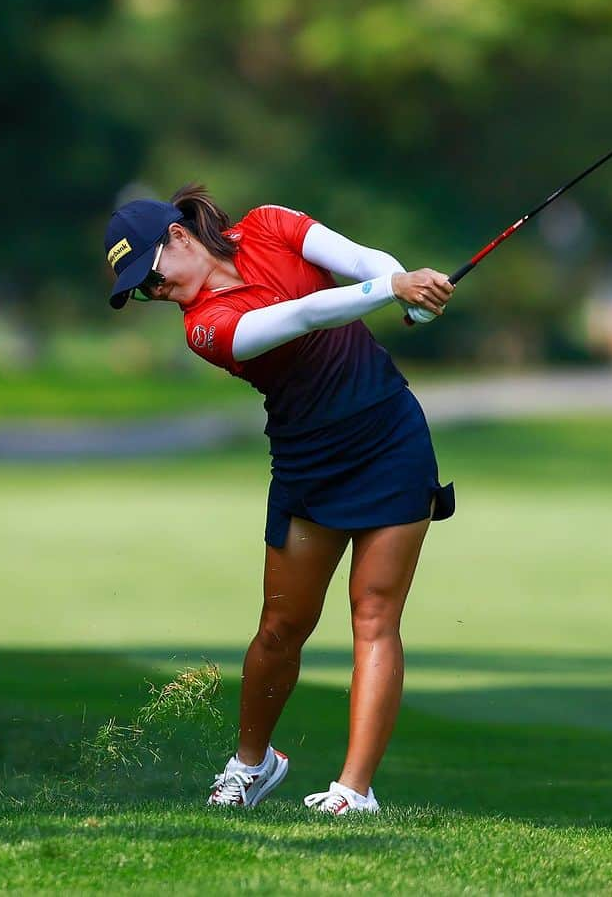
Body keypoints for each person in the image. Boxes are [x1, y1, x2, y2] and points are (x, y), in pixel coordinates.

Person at [104, 183, 455, 815]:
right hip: (309, 459)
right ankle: (252, 764)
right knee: (280, 628)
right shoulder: (203, 329)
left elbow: (366, 259)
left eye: (150, 278)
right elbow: (302, 316)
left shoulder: (270, 224)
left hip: (390, 436)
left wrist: (405, 287)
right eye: (142, 293)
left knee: (374, 615)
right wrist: (392, 292)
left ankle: (354, 791)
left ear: (178, 236)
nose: (155, 295)